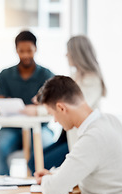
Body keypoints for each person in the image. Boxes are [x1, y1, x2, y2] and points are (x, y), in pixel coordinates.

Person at [23, 76, 122, 194]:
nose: (55, 121)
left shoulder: (93, 137)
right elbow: (86, 167)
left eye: (52, 114)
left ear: (61, 108)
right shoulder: (110, 122)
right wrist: (55, 176)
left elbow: (55, 190)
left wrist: (48, 181)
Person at [28, 35, 107, 174]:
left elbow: (71, 105)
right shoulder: (75, 76)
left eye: (68, 51)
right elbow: (59, 97)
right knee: (34, 160)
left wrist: (36, 111)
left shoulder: (92, 80)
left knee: (40, 163)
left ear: (77, 54)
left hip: (79, 137)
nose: (66, 55)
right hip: (66, 134)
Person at [0, 30, 55, 176]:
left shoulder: (47, 75)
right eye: (21, 51)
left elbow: (54, 105)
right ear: (16, 50)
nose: (25, 55)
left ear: (36, 49)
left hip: (39, 128)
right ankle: (3, 187)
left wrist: (37, 108)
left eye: (29, 51)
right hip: (11, 129)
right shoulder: (5, 75)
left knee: (45, 147)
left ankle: (38, 186)